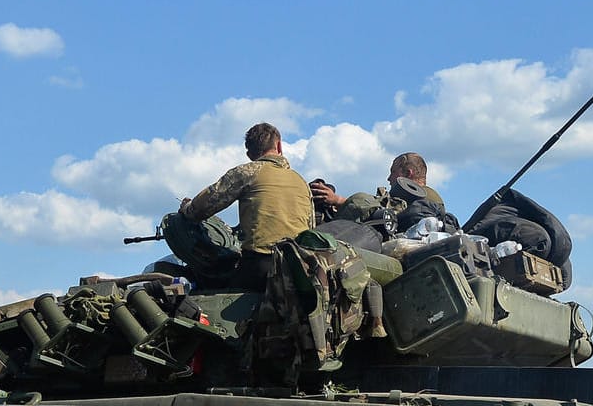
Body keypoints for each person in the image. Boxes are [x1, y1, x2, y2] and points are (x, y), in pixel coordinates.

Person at [178, 122, 313, 288]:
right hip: (300, 269)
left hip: (261, 266)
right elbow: (310, 228)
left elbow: (202, 207)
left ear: (249, 154)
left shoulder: (248, 172)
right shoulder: (301, 182)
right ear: (279, 145)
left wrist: (187, 208)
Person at [310, 152, 449, 230]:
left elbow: (391, 217)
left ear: (408, 173)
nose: (389, 179)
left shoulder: (425, 200)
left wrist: (338, 201)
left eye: (393, 172)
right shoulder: (426, 198)